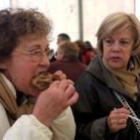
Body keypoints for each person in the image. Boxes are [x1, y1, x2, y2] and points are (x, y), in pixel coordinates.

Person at [0, 8, 78, 140]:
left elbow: (67, 137)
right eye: (35, 52)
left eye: (46, 51)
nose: (46, 62)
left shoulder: (25, 94)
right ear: (2, 59)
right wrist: (40, 119)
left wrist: (58, 108)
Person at [72, 12, 140, 140]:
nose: (115, 48)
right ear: (101, 45)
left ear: (134, 46)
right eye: (109, 41)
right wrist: (106, 125)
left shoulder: (137, 73)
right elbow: (74, 132)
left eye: (124, 42)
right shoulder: (87, 82)